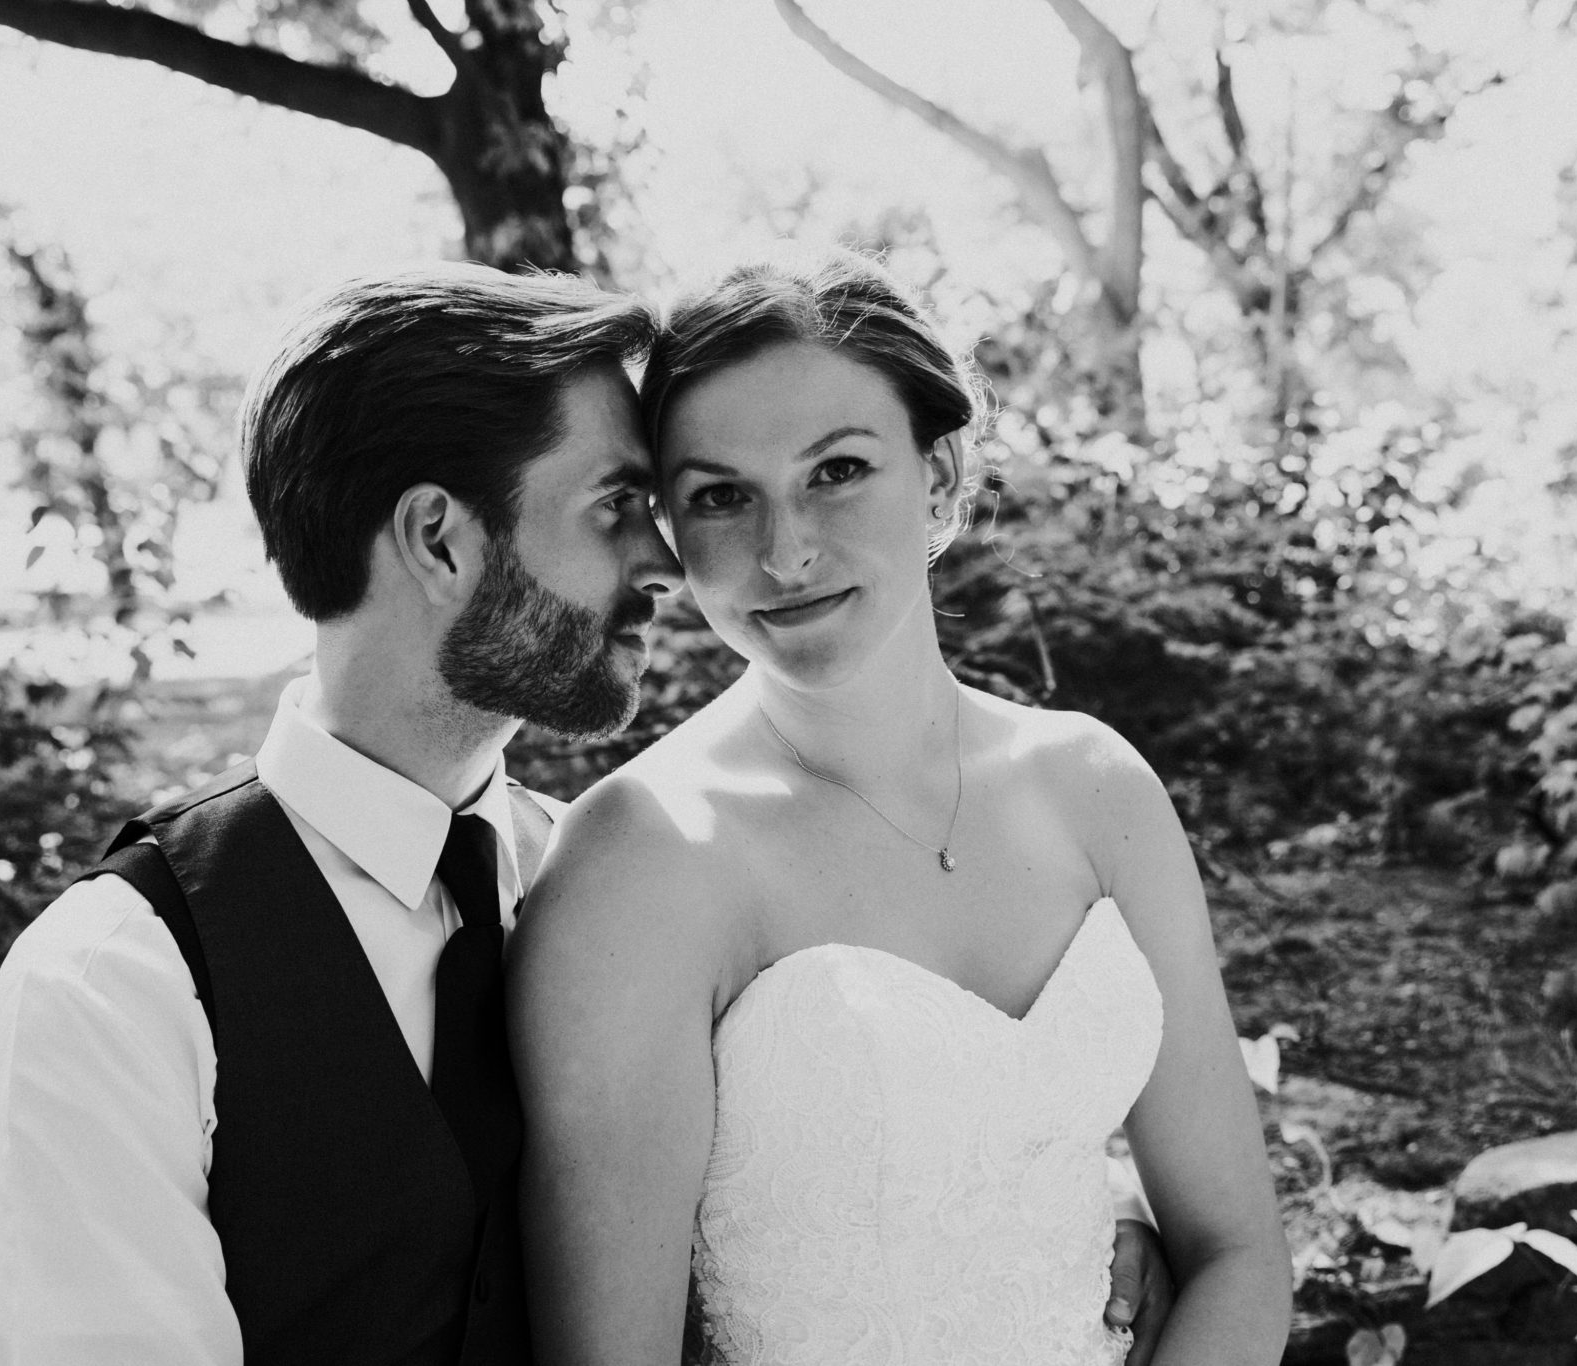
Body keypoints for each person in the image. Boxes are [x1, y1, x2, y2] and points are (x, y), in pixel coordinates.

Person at [0, 260, 1174, 1366]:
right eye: (615, 507)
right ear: (439, 538)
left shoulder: (592, 873)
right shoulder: (109, 998)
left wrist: (1079, 1225)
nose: (664, 561)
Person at [509, 249, 1292, 1366]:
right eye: (720, 496)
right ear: (670, 535)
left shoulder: (1096, 788)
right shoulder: (646, 857)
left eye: (836, 471)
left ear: (934, 476)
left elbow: (1236, 1254)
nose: (786, 550)